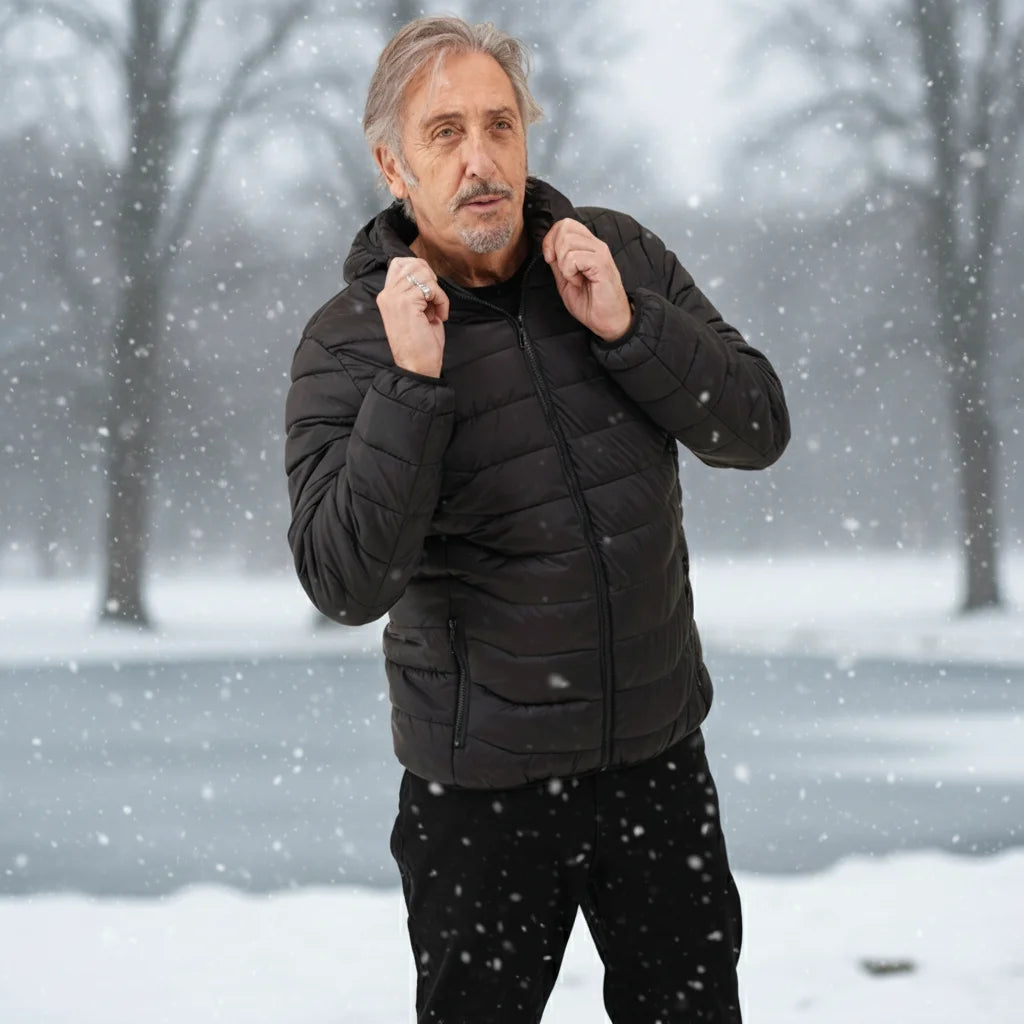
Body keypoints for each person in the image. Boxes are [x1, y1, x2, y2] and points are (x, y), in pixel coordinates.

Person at [284, 15, 790, 1023]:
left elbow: (754, 426)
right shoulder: (349, 341)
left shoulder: (616, 254)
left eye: (500, 125)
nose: (480, 160)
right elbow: (344, 581)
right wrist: (409, 382)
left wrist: (629, 325)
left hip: (656, 766)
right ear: (392, 164)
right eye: (445, 133)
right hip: (483, 797)